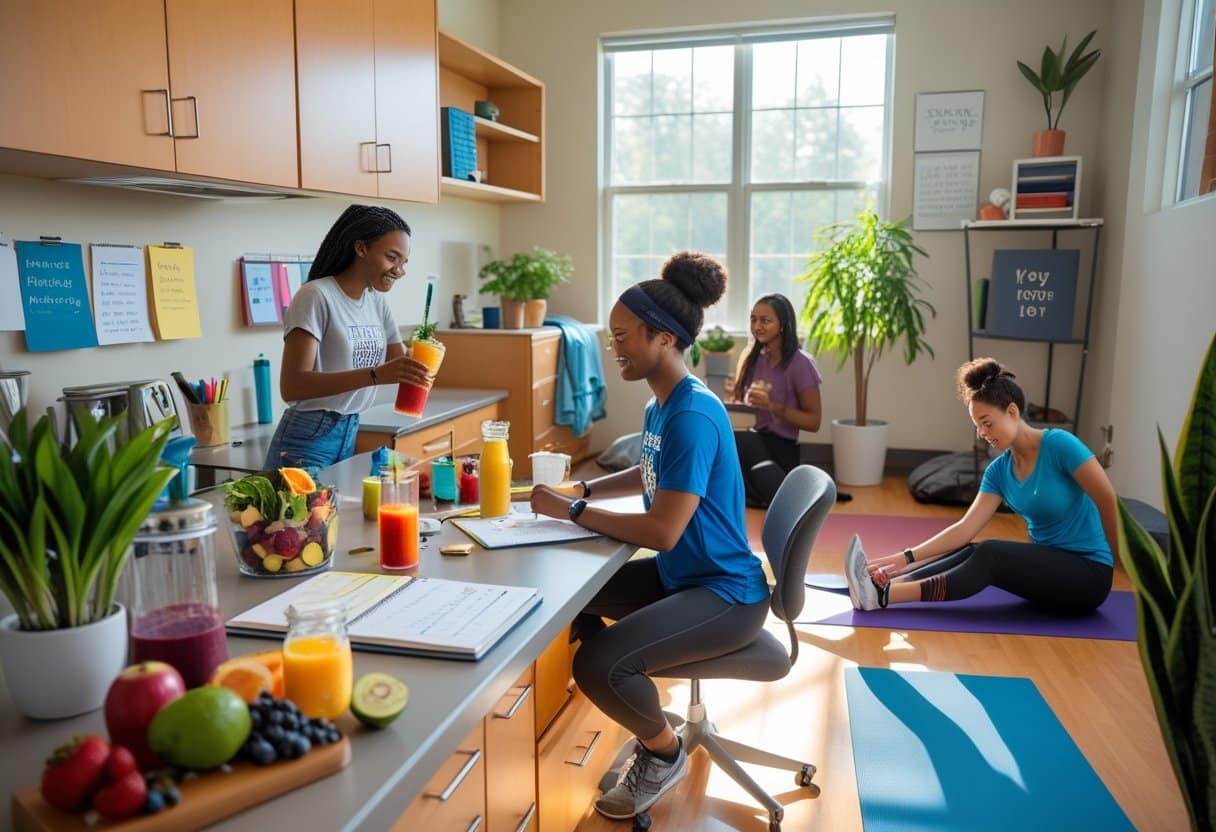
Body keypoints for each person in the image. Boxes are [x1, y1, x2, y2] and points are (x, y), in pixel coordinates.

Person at [529, 252, 770, 820]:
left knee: (597, 665)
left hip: (727, 594)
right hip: (684, 577)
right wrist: (580, 491)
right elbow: (647, 469)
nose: (614, 348)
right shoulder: (664, 403)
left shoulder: (692, 413)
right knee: (567, 601)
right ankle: (638, 697)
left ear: (662, 338)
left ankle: (663, 751)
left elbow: (662, 530)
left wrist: (572, 514)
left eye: (621, 337)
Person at [844, 358, 1118, 614]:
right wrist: (902, 559)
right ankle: (887, 583)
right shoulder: (999, 471)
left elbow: (1107, 499)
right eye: (977, 426)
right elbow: (964, 529)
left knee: (990, 553)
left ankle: (882, 597)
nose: (982, 433)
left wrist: (1124, 564)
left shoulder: (1059, 445)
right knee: (972, 550)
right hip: (1049, 567)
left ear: (1012, 411)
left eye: (986, 423)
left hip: (1088, 576)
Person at [263, 204, 431, 470]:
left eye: (403, 262)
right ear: (361, 248)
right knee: (306, 513)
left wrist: (423, 358)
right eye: (391, 257)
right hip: (307, 434)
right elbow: (292, 385)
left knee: (334, 513)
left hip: (349, 427)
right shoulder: (316, 296)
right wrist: (376, 375)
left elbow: (398, 362)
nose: (399, 270)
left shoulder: (375, 301)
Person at [725, 293, 823, 507]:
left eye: (765, 320)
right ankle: (768, 495)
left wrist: (773, 407)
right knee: (728, 438)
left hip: (781, 450)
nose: (757, 326)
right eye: (753, 319)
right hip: (756, 444)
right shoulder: (753, 357)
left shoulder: (801, 364)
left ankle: (785, 499)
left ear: (782, 325)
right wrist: (733, 396)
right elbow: (745, 407)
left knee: (743, 440)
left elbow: (814, 422)